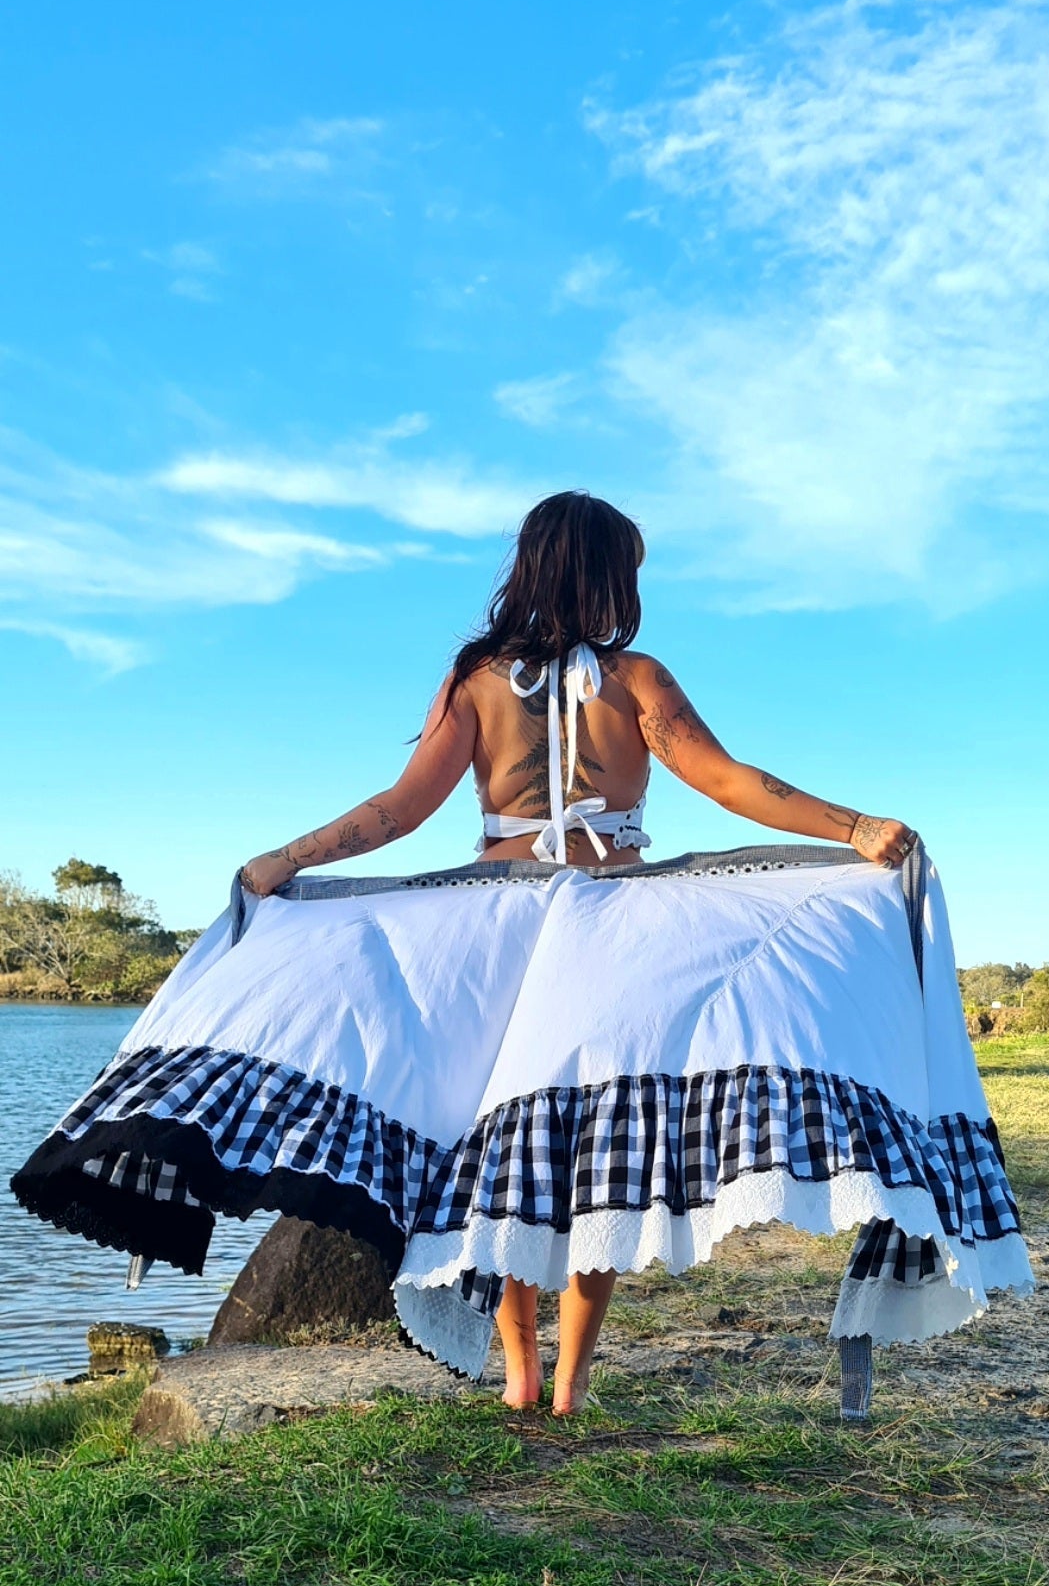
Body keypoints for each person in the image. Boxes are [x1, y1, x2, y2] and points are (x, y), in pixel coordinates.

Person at [240, 491, 916, 1415]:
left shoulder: (475, 680)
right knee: (596, 1158)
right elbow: (729, 782)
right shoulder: (635, 678)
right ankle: (566, 1380)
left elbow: (398, 810)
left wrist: (289, 859)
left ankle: (525, 1377)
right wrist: (855, 826)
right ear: (599, 573)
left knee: (513, 1157)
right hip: (610, 925)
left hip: (501, 927)